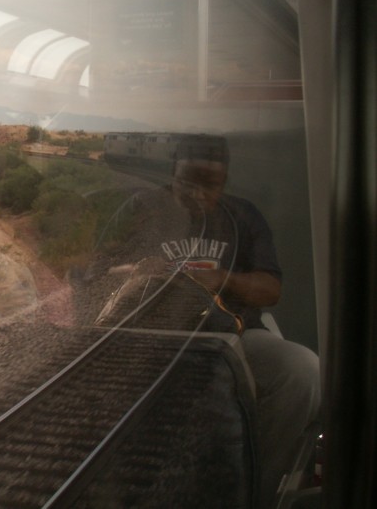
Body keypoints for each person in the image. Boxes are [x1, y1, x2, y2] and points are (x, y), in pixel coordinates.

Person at [87, 136, 321, 507]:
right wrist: (138, 272)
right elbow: (98, 273)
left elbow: (270, 289)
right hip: (148, 336)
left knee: (302, 369)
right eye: (188, 180)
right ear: (172, 173)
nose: (197, 192)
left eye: (209, 184)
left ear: (224, 182)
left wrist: (224, 280)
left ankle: (255, 492)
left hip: (232, 337)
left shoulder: (243, 216)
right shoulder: (140, 208)